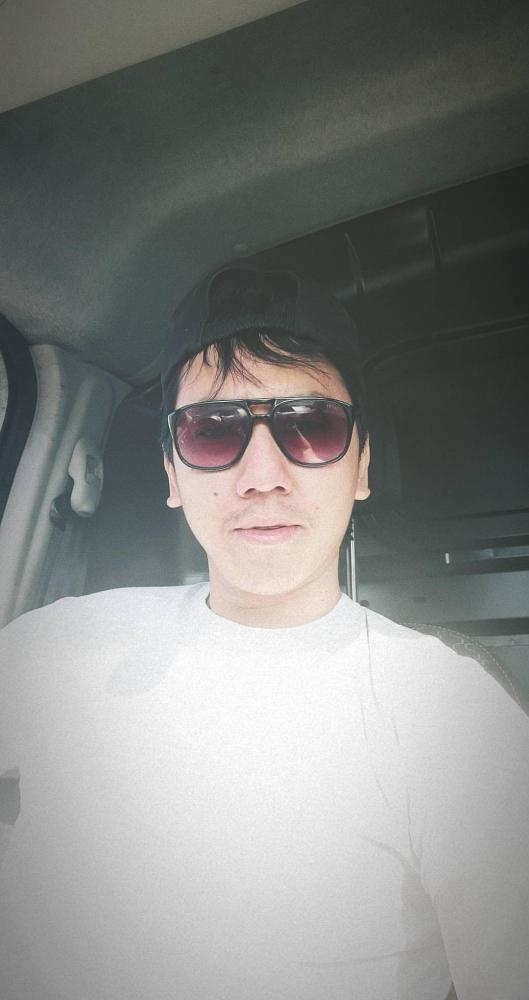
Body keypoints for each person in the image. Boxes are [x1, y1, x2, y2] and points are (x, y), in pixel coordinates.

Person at [0, 265, 528, 1000]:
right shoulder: (58, 645)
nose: (262, 475)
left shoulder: (445, 710)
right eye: (211, 431)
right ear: (172, 470)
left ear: (363, 462)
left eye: (310, 425)